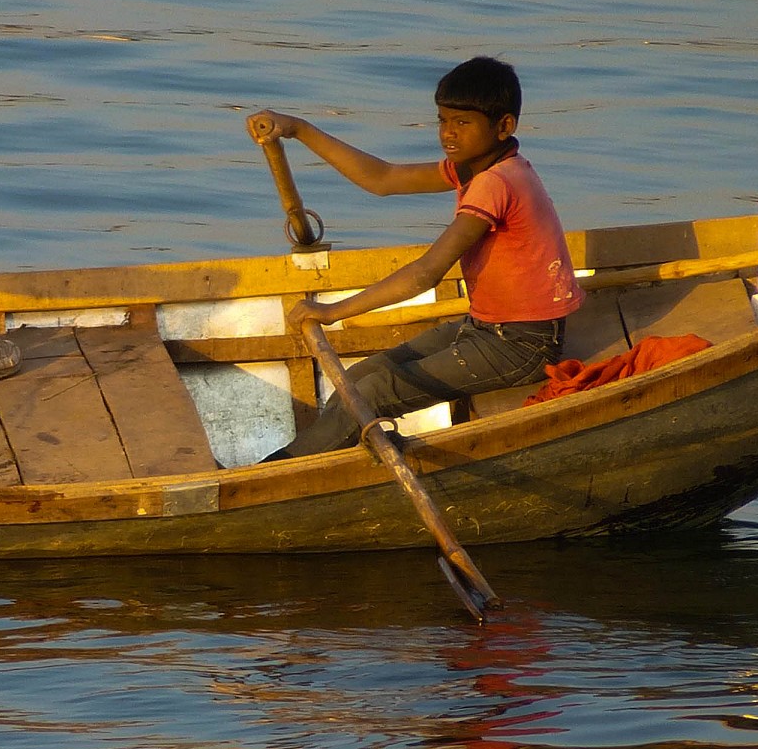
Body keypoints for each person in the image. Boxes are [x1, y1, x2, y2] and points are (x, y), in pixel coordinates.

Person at [249, 56, 582, 459]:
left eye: (462, 122)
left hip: (522, 345)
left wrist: (335, 311)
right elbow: (382, 178)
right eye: (443, 120)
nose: (448, 133)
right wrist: (298, 128)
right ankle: (321, 461)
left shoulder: (497, 182)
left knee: (370, 394)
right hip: (483, 327)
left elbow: (426, 273)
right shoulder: (473, 169)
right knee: (360, 377)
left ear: (504, 126)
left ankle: (274, 472)